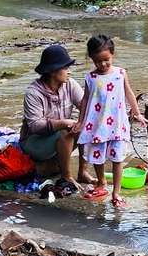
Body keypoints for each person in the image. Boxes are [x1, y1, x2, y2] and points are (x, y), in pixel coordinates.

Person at [78, 34, 144, 205]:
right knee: (97, 156)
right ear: (92, 59)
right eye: (98, 61)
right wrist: (80, 121)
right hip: (97, 124)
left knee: (117, 158)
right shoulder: (90, 78)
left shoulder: (120, 73)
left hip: (117, 123)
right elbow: (85, 100)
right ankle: (101, 182)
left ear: (112, 54)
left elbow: (129, 93)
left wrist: (137, 113)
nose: (102, 64)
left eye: (106, 60)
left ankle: (116, 192)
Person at [20, 43, 96, 190]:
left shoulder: (70, 85)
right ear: (53, 71)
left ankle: (83, 172)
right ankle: (66, 176)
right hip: (33, 142)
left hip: (58, 139)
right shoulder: (33, 93)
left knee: (84, 125)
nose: (69, 72)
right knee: (65, 131)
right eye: (65, 68)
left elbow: (85, 107)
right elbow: (35, 126)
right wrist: (63, 123)